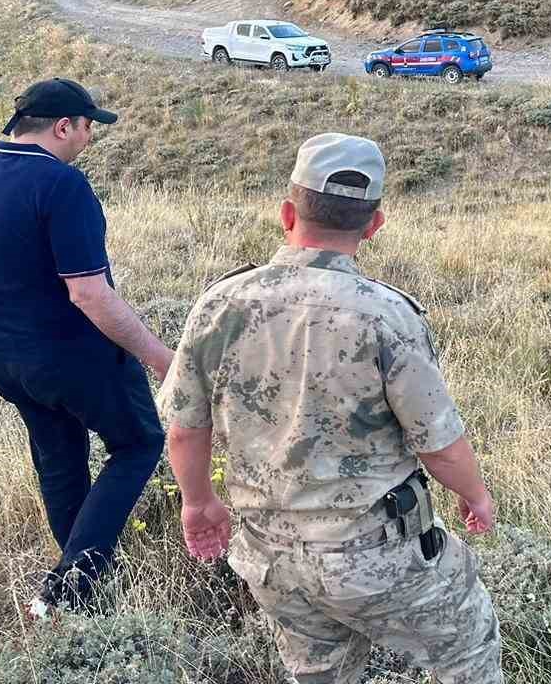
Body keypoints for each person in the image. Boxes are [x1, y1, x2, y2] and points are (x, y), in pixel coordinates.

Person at [161, 132, 501, 684]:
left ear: (287, 213)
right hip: (375, 555)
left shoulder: (219, 303)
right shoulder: (387, 315)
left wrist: (199, 503)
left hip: (269, 555)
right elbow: (437, 445)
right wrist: (476, 496)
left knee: (319, 671)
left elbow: (185, 430)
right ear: (373, 225)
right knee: (467, 649)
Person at [0, 78, 172, 613]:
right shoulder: (62, 186)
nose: (87, 140)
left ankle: (78, 590)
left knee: (59, 455)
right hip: (75, 357)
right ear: (63, 126)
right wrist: (160, 358)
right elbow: (87, 293)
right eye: (87, 128)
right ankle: (73, 585)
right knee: (137, 445)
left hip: (4, 360)